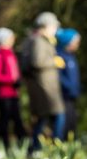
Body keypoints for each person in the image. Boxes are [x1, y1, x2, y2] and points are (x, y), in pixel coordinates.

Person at [21, 12, 65, 151]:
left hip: (46, 86)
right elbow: (37, 62)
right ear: (46, 26)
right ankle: (53, 147)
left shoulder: (41, 40)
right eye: (54, 27)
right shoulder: (38, 41)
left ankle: (37, 148)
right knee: (57, 116)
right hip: (44, 87)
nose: (55, 30)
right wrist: (54, 61)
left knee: (42, 118)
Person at [0, 28, 27, 149]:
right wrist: (11, 79)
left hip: (13, 92)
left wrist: (18, 81)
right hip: (3, 93)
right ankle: (3, 145)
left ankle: (23, 144)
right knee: (4, 120)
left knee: (17, 119)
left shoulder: (10, 53)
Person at [56, 28, 82, 140]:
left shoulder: (71, 56)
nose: (77, 44)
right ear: (68, 42)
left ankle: (72, 143)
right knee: (65, 123)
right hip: (63, 95)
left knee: (72, 121)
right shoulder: (59, 57)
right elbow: (58, 76)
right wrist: (68, 87)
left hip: (72, 96)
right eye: (76, 42)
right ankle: (62, 143)